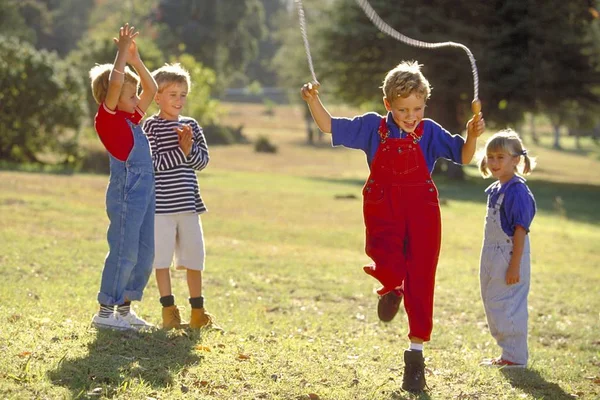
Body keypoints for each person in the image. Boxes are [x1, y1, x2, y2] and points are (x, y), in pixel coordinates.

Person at [300, 61, 485, 393]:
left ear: (425, 105)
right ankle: (391, 286)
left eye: (417, 108)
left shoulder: (430, 131)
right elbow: (329, 125)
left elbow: (465, 156)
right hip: (383, 209)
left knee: (422, 276)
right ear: (388, 105)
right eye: (402, 109)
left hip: (422, 212)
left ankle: (415, 358)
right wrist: (313, 100)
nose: (410, 115)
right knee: (387, 262)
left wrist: (471, 135)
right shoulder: (373, 127)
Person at [88, 23, 158, 330]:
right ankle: (105, 311)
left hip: (145, 190)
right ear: (113, 98)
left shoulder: (131, 116)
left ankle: (124, 309)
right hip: (127, 190)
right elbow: (115, 85)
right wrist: (120, 56)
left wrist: (135, 60)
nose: (137, 98)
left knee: (144, 250)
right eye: (132, 95)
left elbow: (152, 89)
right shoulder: (109, 118)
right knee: (124, 249)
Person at [142, 63, 215, 330]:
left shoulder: (191, 125)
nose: (178, 100)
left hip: (188, 205)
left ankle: (198, 313)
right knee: (161, 260)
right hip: (160, 207)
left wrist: (189, 149)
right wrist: (181, 152)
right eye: (172, 94)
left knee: (194, 258)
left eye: (183, 94)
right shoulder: (150, 127)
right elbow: (154, 164)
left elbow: (202, 161)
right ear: (157, 97)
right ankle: (169, 312)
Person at [477, 129, 536, 368]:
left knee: (508, 305)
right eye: (491, 157)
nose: (494, 162)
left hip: (510, 256)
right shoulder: (495, 190)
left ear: (516, 160)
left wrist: (514, 266)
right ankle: (507, 354)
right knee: (493, 303)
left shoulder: (518, 191)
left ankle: (516, 357)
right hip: (492, 255)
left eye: (500, 157)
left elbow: (520, 231)